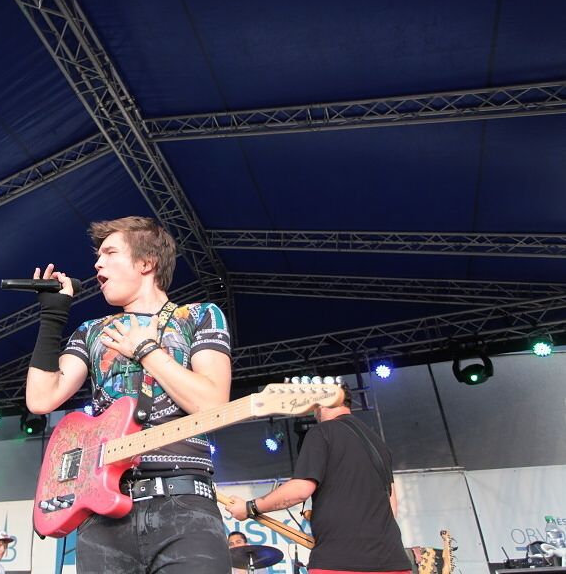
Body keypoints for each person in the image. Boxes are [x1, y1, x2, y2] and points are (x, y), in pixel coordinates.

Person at [26, 216, 233, 573]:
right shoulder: (92, 331)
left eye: (110, 253)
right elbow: (41, 399)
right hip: (103, 515)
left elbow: (212, 404)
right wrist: (52, 316)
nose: (97, 264)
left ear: (146, 262)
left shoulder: (199, 316)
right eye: (98, 256)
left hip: (184, 505)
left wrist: (147, 350)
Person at [224, 384, 411, 574]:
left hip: (340, 563)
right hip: (394, 562)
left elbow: (300, 490)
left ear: (322, 402)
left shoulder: (322, 431)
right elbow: (391, 506)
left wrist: (249, 507)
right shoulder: (378, 443)